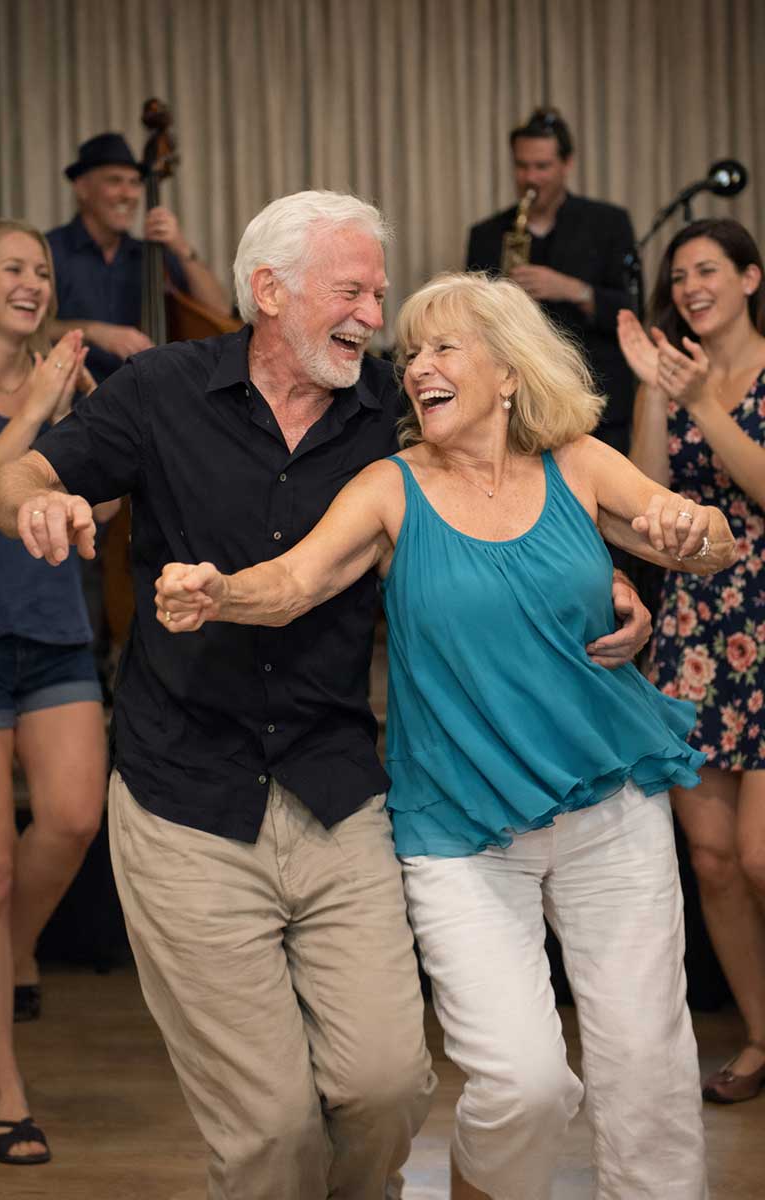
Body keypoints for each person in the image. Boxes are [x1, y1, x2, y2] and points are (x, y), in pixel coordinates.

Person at [0, 192, 650, 1199]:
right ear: (268, 291)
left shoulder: (393, 410)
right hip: (184, 799)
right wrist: (39, 500)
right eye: (353, 289)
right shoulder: (162, 389)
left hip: (335, 788)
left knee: (385, 1088)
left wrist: (608, 577)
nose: (375, 315)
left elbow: (512, 488)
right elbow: (16, 475)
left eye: (378, 292)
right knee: (270, 1134)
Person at [152, 272, 736, 1199]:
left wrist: (688, 524)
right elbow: (296, 582)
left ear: (508, 373)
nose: (417, 365)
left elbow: (698, 540)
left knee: (650, 1072)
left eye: (443, 347)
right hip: (464, 832)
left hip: (609, 805)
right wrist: (219, 591)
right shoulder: (391, 486)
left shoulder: (577, 462)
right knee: (523, 1085)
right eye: (412, 351)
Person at [0, 218, 108, 1165]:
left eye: (42, 269)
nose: (32, 281)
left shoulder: (68, 392)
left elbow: (107, 507)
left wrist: (89, 435)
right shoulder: (16, 394)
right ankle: (1, 1084)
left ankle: (5, 955)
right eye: (12, 267)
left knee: (71, 819)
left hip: (55, 632)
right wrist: (33, 415)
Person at [618, 217, 765, 1104]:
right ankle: (759, 1035)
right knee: (709, 859)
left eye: (707, 270)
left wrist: (706, 401)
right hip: (697, 630)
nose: (689, 286)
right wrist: (650, 392)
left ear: (751, 278)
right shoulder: (672, 377)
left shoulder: (736, 378)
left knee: (758, 857)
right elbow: (644, 508)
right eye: (678, 276)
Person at [466, 108, 638, 454]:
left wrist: (574, 290)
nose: (531, 178)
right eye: (522, 166)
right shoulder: (486, 234)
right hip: (519, 404)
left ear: (567, 164)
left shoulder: (608, 224)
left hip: (597, 396)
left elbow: (632, 309)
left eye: (542, 167)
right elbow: (469, 321)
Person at [47, 132, 229, 384]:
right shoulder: (49, 251)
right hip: (74, 405)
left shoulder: (153, 257)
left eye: (135, 183)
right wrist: (94, 332)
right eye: (115, 181)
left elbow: (219, 311)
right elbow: (29, 330)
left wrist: (182, 247)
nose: (128, 194)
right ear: (82, 188)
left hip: (146, 402)